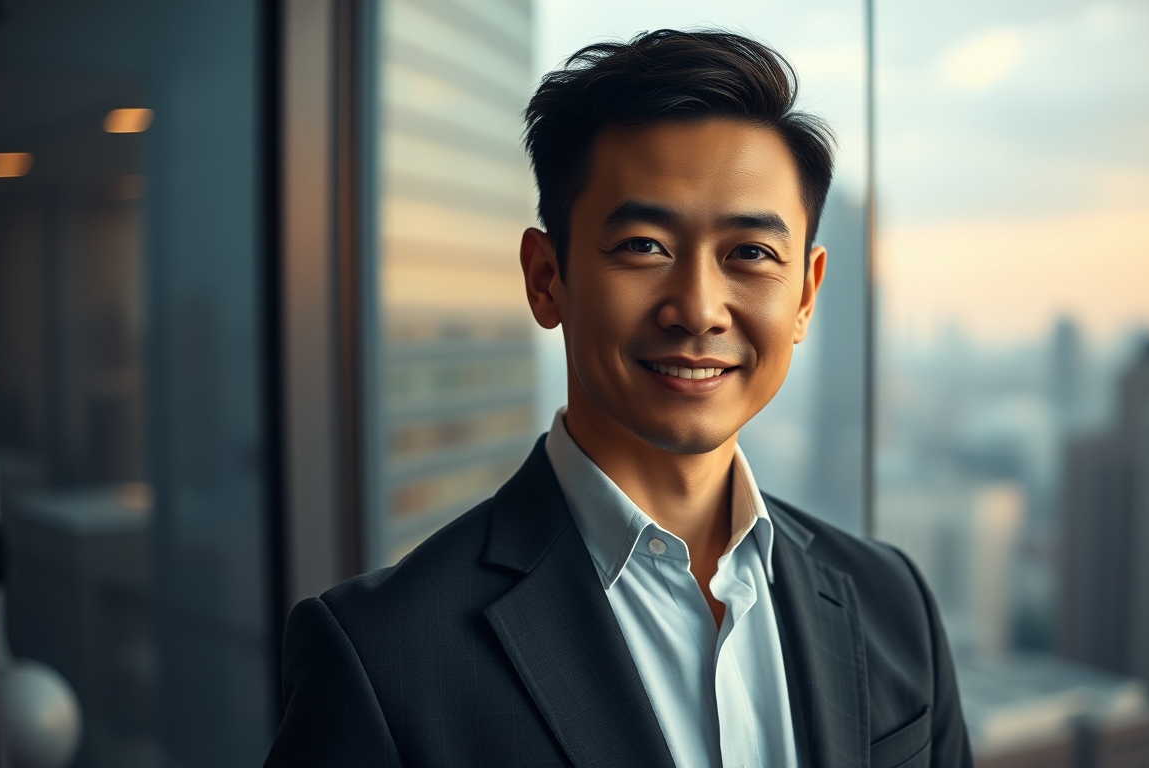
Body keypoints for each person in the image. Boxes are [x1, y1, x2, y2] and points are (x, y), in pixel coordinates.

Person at [265, 29, 972, 768]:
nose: (698, 309)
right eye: (643, 245)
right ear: (546, 278)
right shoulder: (381, 658)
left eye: (751, 253)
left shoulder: (893, 604)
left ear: (805, 295)